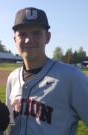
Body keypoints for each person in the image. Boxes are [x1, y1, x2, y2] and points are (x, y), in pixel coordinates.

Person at [6, 7, 88, 135]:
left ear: (48, 37)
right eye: (22, 34)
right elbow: (11, 124)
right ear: (15, 40)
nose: (28, 40)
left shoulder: (71, 77)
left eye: (36, 33)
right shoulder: (12, 78)